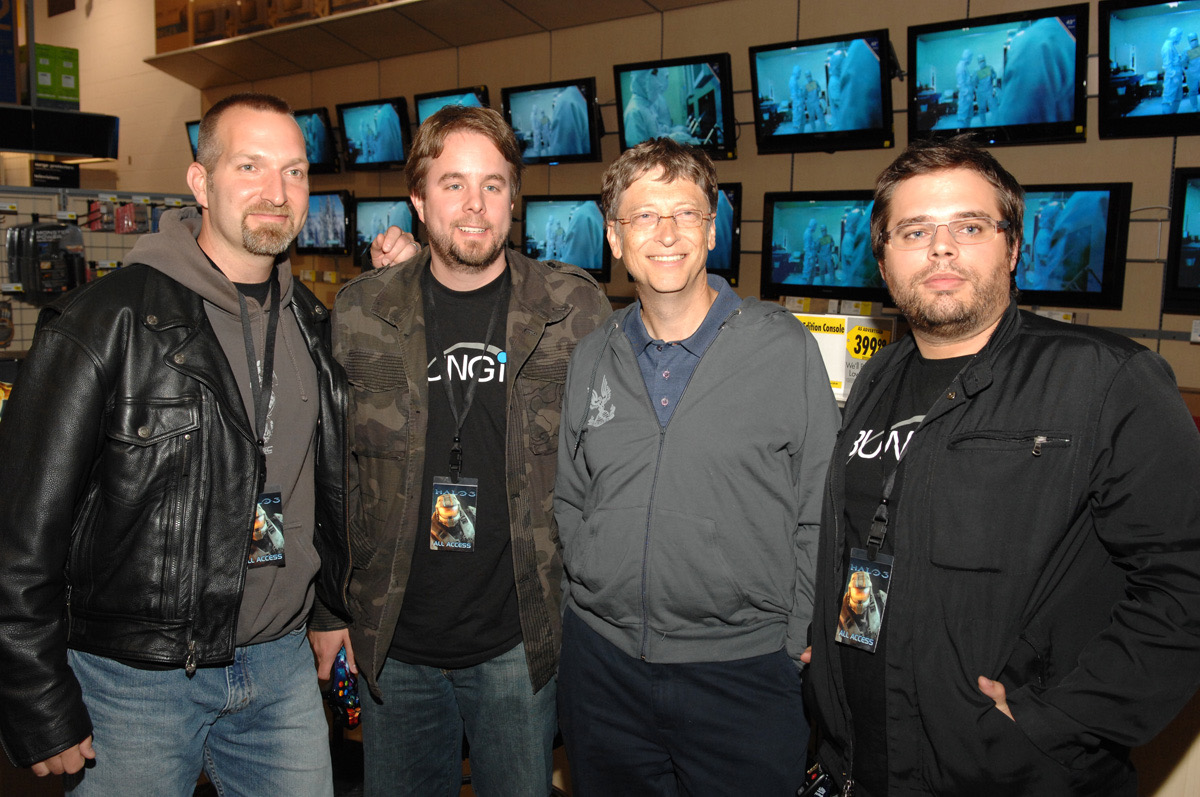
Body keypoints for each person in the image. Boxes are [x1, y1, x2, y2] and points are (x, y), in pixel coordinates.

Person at [803, 136, 1200, 796]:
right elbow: (875, 535)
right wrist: (837, 656)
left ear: (1013, 247)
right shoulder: (879, 375)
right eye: (914, 230)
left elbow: (1186, 576)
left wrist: (1062, 716)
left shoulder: (1104, 379)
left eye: (969, 225)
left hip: (1009, 772)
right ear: (884, 258)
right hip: (861, 760)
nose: (941, 247)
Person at [0, 92, 352, 795]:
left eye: (294, 171)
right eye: (249, 166)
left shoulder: (312, 322)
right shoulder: (106, 321)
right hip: (136, 679)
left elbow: (323, 485)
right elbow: (20, 526)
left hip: (279, 669)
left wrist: (330, 609)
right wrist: (34, 694)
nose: (276, 192)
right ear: (201, 182)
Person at [321, 104, 611, 797]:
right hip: (395, 641)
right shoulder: (362, 311)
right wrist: (328, 613)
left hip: (518, 642)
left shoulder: (575, 310)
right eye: (452, 184)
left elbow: (611, 473)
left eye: (493, 184)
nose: (474, 205)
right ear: (418, 200)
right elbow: (331, 477)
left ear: (515, 197)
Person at [555, 137, 840, 795]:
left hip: (742, 672)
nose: (667, 233)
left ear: (711, 232)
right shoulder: (593, 355)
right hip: (604, 669)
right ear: (615, 237)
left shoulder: (781, 345)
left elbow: (821, 501)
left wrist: (797, 630)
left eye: (686, 213)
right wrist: (588, 596)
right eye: (644, 216)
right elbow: (570, 497)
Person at [1163, 27, 1185, 114]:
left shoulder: (1172, 46)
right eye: (1180, 36)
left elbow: (1175, 62)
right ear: (1175, 35)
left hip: (1177, 77)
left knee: (1178, 97)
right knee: (1168, 100)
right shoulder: (1167, 47)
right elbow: (1167, 65)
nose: (1180, 38)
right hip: (1172, 78)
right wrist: (1174, 77)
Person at [973, 54, 996, 125]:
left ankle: (995, 122)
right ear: (978, 62)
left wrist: (994, 89)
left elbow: (994, 77)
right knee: (982, 109)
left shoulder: (990, 68)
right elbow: (974, 83)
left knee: (993, 107)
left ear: (985, 60)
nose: (982, 62)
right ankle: (983, 123)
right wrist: (976, 91)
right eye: (980, 61)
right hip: (980, 93)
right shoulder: (976, 71)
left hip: (989, 91)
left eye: (983, 60)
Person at [956, 48, 975, 126]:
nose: (971, 59)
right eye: (971, 57)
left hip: (968, 96)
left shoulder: (964, 66)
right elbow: (961, 84)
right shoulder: (960, 67)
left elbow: (966, 80)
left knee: (969, 116)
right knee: (963, 118)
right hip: (965, 97)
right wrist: (967, 95)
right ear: (968, 57)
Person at [1186, 32, 1200, 111]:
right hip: (1192, 74)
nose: (1194, 41)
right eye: (1192, 40)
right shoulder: (1187, 51)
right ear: (1189, 41)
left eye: (1195, 39)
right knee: (1192, 91)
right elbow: (1184, 63)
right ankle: (1194, 107)